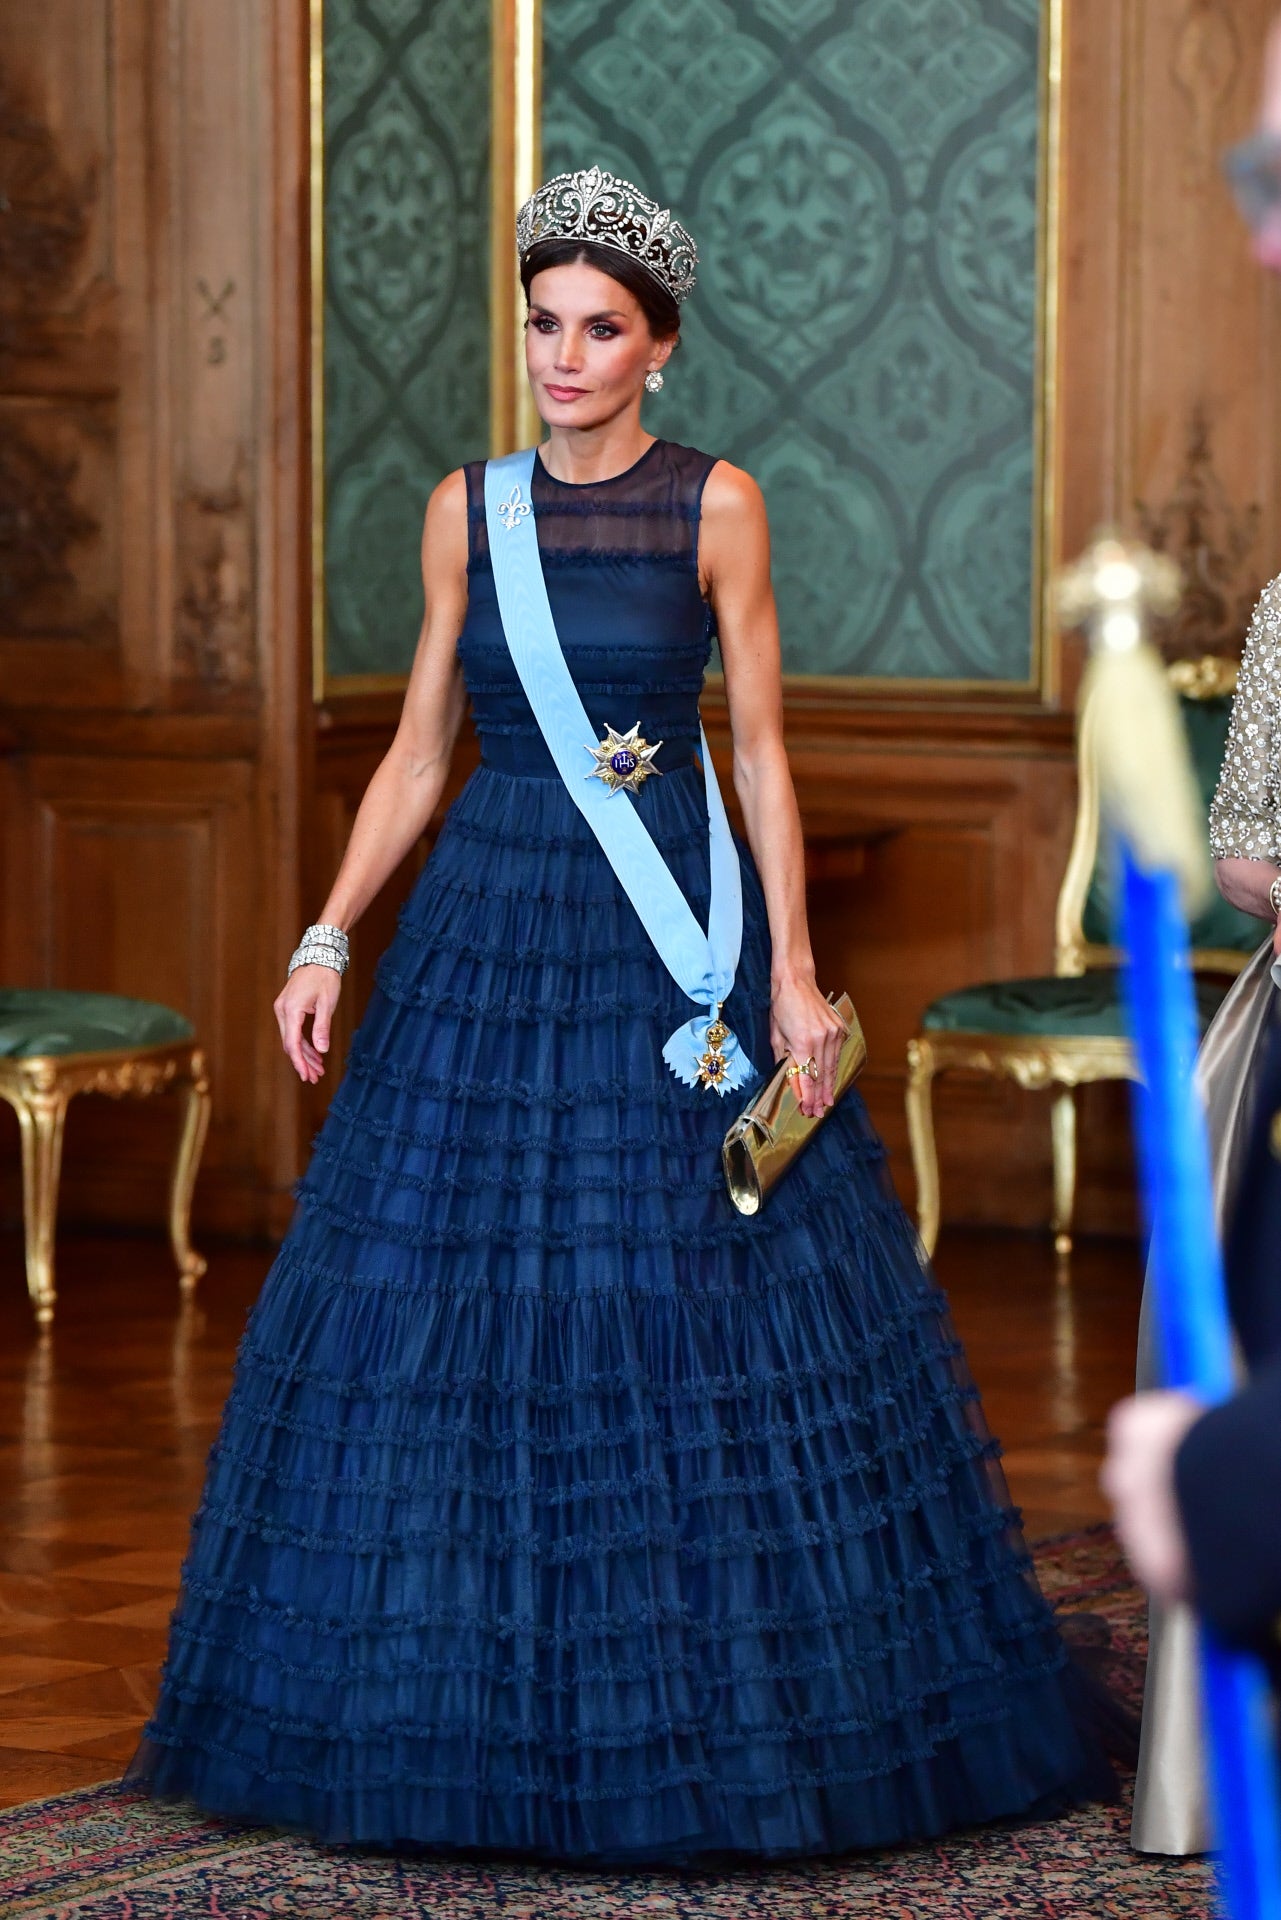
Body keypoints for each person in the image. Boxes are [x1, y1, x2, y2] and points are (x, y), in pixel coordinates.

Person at [129, 167, 1111, 1864]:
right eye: (541, 326)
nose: (562, 357)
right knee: (446, 1315)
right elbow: (421, 752)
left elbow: (760, 755)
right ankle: (451, 1704)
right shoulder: (465, 510)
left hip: (677, 943)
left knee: (697, 1304)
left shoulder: (715, 505)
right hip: (487, 936)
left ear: (656, 347)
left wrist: (794, 974)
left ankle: (723, 1704)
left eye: (598, 330)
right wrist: (323, 937)